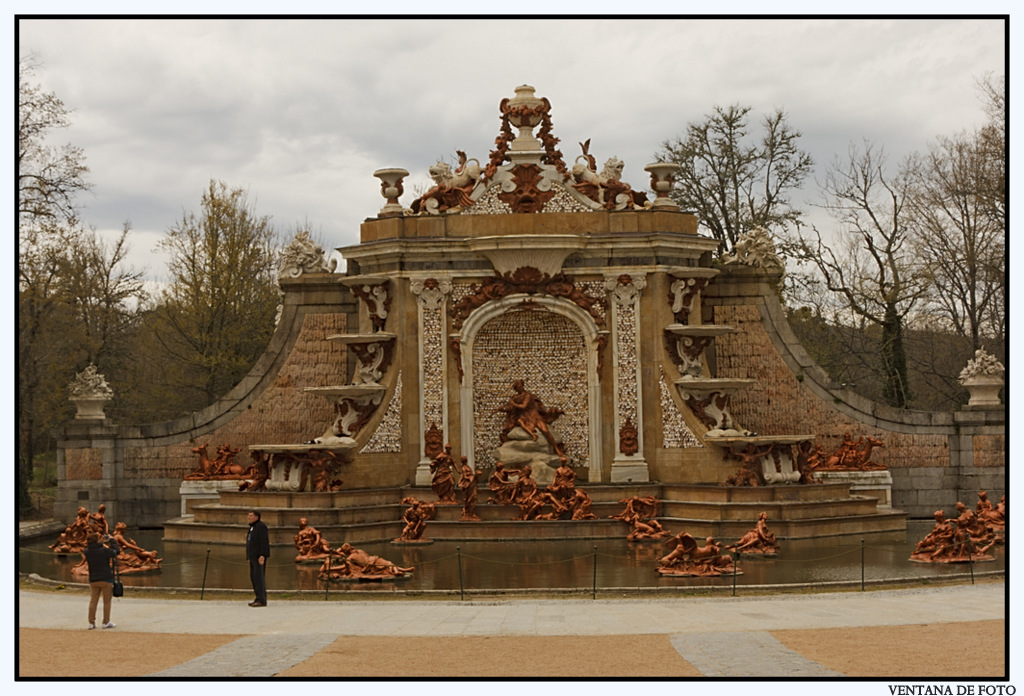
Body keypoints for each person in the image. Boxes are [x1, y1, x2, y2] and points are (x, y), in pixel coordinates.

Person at [84, 531, 119, 629]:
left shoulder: (87, 551)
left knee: (93, 601)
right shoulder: (104, 550)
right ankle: (105, 622)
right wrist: (112, 540)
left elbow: (95, 547)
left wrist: (100, 542)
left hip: (93, 579)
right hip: (106, 578)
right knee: (107, 601)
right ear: (97, 540)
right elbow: (116, 551)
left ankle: (91, 622)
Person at [246, 510, 270, 607]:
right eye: (248, 516)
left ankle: (262, 600)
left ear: (257, 517)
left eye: (251, 516)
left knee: (259, 578)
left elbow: (264, 542)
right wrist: (248, 556)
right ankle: (257, 597)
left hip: (258, 557)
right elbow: (250, 543)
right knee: (254, 578)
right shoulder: (252, 527)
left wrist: (262, 555)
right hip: (252, 557)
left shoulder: (261, 527)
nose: (249, 517)